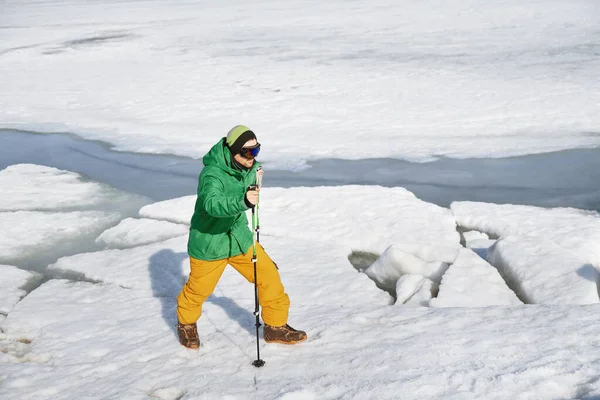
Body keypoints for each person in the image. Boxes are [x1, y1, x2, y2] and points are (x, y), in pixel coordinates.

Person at [176, 125, 307, 349]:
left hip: (238, 238)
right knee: (198, 291)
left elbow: (246, 189)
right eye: (248, 152)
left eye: (256, 151)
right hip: (210, 243)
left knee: (268, 274)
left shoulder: (249, 168)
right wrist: (244, 201)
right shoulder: (212, 175)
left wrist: (255, 183)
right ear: (233, 151)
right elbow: (212, 204)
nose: (253, 157)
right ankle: (186, 323)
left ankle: (275, 327)